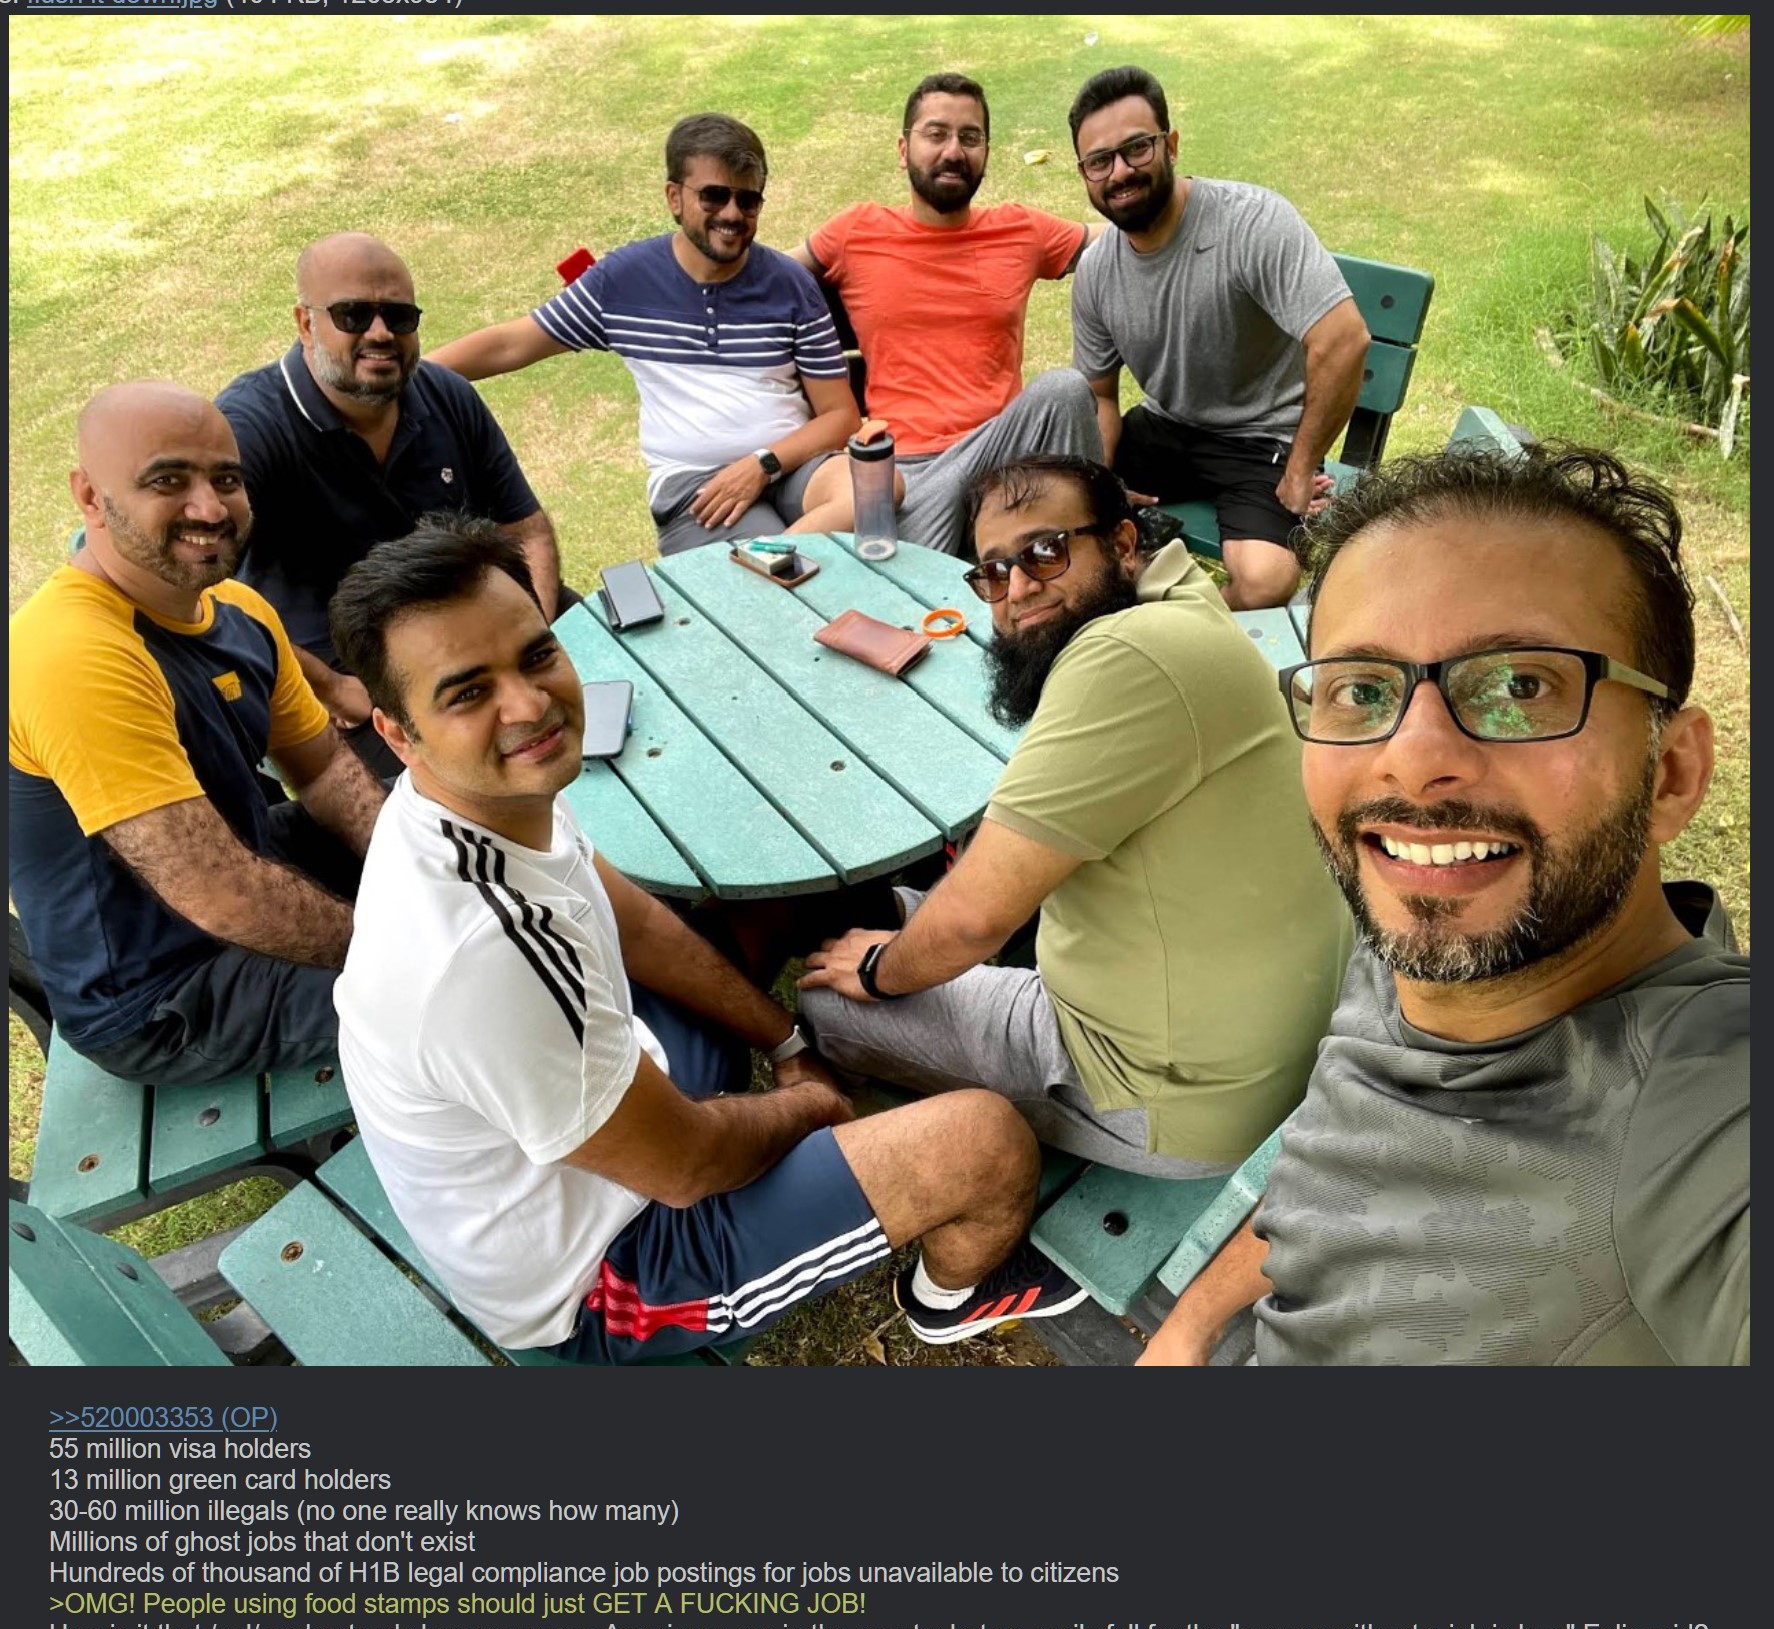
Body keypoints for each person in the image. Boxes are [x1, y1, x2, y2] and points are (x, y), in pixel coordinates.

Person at [326, 513, 1089, 1358]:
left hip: (613, 1107)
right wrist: (813, 1105)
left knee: (787, 895)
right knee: (987, 1145)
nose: (530, 704)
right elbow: (687, 1167)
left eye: (536, 655)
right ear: (396, 734)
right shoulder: (481, 956)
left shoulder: (488, 801)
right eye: (468, 692)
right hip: (603, 1272)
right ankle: (950, 1297)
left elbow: (636, 923)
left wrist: (787, 1040)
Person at [1139, 444, 1749, 1367]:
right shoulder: (1432, 923)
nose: (1413, 760)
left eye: (1520, 686)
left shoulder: (1696, 1132)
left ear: (1670, 773)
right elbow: (1328, 1182)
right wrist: (1187, 1329)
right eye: (1361, 689)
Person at [797, 454, 1351, 1179]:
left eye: (1046, 552)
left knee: (832, 1006)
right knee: (913, 914)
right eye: (994, 572)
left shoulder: (1120, 656)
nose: (1019, 588)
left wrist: (878, 972)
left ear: (1121, 543)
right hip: (1265, 1040)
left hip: (1173, 1096)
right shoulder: (1178, 598)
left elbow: (973, 923)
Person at [7, 381, 387, 1084]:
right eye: (168, 481)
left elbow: (326, 771)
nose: (209, 509)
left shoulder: (238, 609)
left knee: (439, 825)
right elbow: (220, 894)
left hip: (244, 861)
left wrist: (426, 863)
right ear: (90, 496)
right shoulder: (72, 654)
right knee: (447, 997)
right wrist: (395, 951)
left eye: (227, 480)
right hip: (161, 993)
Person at [430, 113, 863, 559]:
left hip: (790, 464)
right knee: (787, 573)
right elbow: (512, 344)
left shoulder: (790, 284)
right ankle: (766, 565)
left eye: (748, 200)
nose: (732, 214)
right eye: (714, 196)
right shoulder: (624, 281)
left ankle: (764, 562)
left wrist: (761, 464)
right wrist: (414, 374)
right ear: (674, 197)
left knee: (873, 488)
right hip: (698, 485)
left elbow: (840, 416)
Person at [216, 232, 568, 775]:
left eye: (399, 317)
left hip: (479, 625)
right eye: (354, 315)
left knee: (621, 697)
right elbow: (205, 593)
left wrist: (535, 635)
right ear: (306, 323)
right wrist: (330, 688)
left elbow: (527, 530)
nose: (381, 333)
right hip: (358, 674)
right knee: (466, 794)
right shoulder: (250, 430)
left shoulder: (446, 393)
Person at [1066, 66, 1372, 610]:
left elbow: (1344, 340)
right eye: (1099, 161)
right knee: (1065, 518)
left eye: (1136, 148)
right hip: (1165, 428)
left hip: (1262, 437)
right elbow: (1100, 396)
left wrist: (1301, 468)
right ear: (1085, 173)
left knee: (1265, 581)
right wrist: (1105, 483)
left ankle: (1174, 628)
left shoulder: (1251, 223)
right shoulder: (1096, 271)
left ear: (1170, 145)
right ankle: (1122, 620)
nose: (1120, 172)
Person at [792, 72, 1105, 556]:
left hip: (1001, 457)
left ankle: (1102, 544)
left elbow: (1123, 236)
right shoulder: (855, 232)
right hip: (909, 474)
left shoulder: (1021, 230)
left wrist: (1190, 200)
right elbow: (767, 277)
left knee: (1063, 390)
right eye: (936, 134)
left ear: (986, 153)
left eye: (970, 137)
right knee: (925, 585)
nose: (954, 151)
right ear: (903, 150)